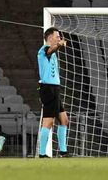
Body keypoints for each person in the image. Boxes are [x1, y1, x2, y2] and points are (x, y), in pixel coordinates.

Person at [37, 27, 70, 158]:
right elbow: (50, 50)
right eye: (57, 36)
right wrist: (59, 45)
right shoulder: (43, 49)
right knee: (48, 122)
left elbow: (53, 50)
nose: (59, 38)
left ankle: (63, 151)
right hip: (48, 89)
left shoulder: (53, 52)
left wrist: (59, 45)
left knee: (64, 120)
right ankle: (42, 154)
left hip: (55, 89)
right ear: (50, 37)